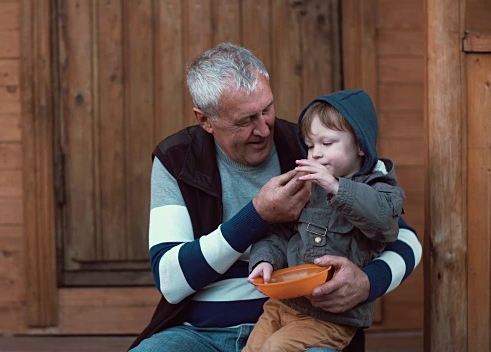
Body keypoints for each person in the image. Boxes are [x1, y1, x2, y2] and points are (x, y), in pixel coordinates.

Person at [129, 43, 422, 352]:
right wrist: (256, 216)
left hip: (306, 324)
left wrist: (368, 282)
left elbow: (405, 238)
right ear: (205, 120)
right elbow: (171, 281)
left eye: (267, 109)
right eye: (245, 121)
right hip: (198, 332)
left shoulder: (311, 150)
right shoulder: (176, 159)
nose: (264, 129)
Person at [244, 90, 405, 352]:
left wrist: (336, 187)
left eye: (327, 143)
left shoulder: (381, 188)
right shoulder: (308, 186)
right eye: (310, 145)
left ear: (361, 145)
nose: (315, 154)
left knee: (275, 348)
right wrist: (265, 260)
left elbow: (384, 223)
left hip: (332, 318)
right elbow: (280, 231)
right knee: (254, 347)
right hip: (285, 303)